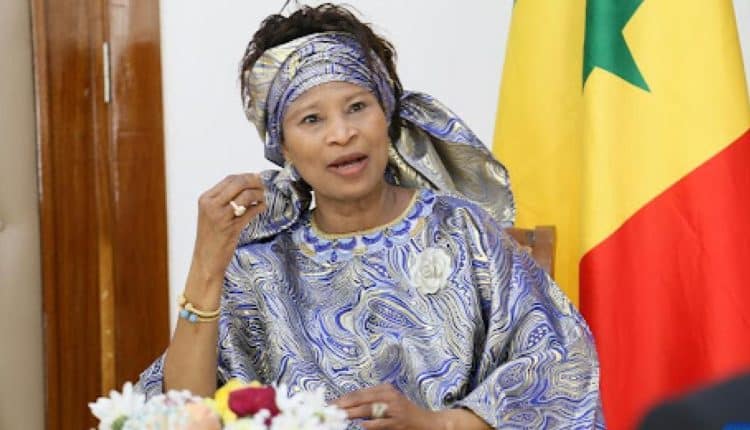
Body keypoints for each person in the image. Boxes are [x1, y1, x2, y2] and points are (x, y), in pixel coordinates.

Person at [136, 4, 604, 429]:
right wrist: (207, 265)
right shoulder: (260, 268)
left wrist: (435, 424)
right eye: (312, 119)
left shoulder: (462, 231)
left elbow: (559, 369)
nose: (342, 134)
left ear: (387, 116)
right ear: (283, 147)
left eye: (357, 107)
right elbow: (180, 413)